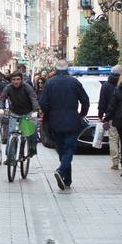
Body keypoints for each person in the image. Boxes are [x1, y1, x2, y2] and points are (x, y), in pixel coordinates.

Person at [39, 59, 89, 191]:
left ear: (56, 68)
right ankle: (61, 171)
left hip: (55, 121)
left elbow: (43, 102)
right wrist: (81, 115)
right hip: (72, 120)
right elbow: (85, 100)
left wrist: (48, 114)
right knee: (69, 149)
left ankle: (67, 180)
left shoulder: (50, 83)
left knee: (62, 149)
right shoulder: (74, 82)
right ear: (68, 68)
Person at [1, 69, 39, 159]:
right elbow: (2, 99)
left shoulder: (27, 87)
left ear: (21, 79)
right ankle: (10, 157)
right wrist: (0, 108)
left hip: (28, 113)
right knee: (11, 134)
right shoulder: (8, 88)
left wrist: (35, 110)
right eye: (13, 79)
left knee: (31, 132)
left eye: (18, 79)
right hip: (14, 113)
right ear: (11, 80)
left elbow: (33, 98)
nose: (16, 81)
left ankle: (32, 149)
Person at [99, 71, 120, 170]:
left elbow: (102, 101)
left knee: (113, 139)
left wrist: (101, 115)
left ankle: (115, 162)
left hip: (111, 117)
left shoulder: (106, 85)